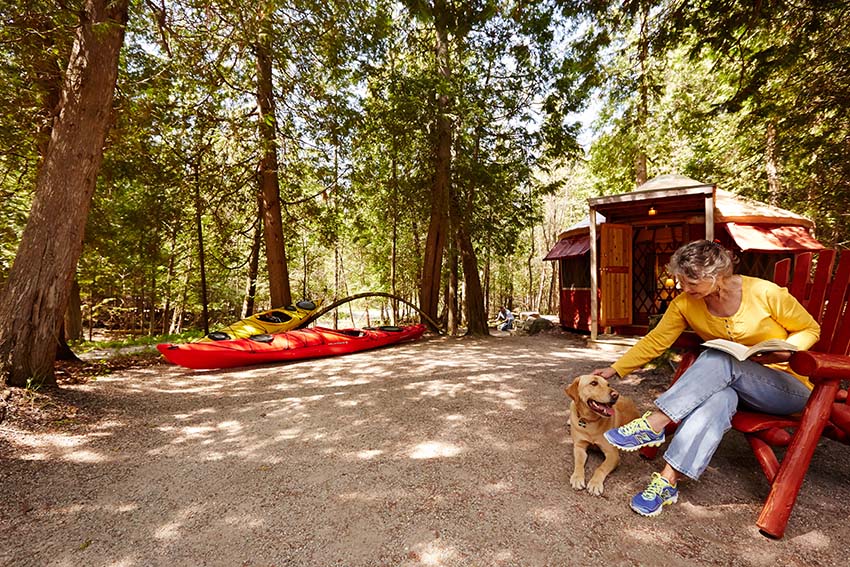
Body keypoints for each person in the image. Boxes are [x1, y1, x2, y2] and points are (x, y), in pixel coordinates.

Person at [593, 240, 820, 517]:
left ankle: (655, 423)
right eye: (681, 281)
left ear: (716, 276)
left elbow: (810, 328)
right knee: (718, 396)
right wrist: (616, 369)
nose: (684, 289)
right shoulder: (685, 304)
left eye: (691, 282)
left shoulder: (763, 292)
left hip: (786, 388)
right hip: (733, 387)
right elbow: (656, 341)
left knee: (720, 358)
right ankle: (667, 481)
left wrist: (786, 351)